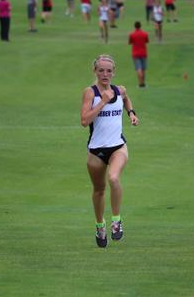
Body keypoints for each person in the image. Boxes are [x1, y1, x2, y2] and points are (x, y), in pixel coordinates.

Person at [80, 54, 139, 248]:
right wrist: (102, 102)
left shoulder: (119, 90)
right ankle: (99, 225)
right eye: (101, 70)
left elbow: (126, 99)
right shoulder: (90, 93)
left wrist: (131, 114)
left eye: (109, 71)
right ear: (95, 71)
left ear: (114, 72)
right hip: (96, 150)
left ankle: (116, 221)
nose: (105, 74)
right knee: (99, 190)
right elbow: (84, 121)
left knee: (113, 178)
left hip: (117, 146)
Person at [129, 21, 149, 87]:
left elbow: (130, 42)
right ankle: (143, 83)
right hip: (143, 53)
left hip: (135, 53)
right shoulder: (145, 34)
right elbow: (147, 41)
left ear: (135, 26)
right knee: (143, 69)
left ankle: (140, 83)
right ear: (140, 26)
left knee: (138, 68)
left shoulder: (132, 34)